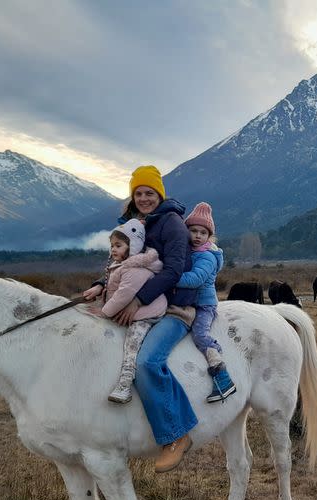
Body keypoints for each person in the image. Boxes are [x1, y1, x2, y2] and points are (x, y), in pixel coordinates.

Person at [82, 165, 197, 473]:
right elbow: (123, 260)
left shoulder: (172, 224)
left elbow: (174, 270)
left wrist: (138, 299)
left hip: (175, 309)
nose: (144, 198)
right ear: (132, 197)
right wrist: (101, 284)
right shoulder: (139, 224)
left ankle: (176, 435)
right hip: (145, 305)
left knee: (147, 362)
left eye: (150, 193)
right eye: (139, 193)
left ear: (159, 194)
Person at [87, 219, 167, 404]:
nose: (113, 249)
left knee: (132, 343)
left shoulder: (136, 269)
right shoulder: (126, 264)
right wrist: (99, 290)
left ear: (133, 246)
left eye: (119, 245)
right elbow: (112, 286)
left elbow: (123, 295)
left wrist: (104, 312)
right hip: (134, 311)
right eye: (112, 245)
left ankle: (125, 383)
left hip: (147, 314)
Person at [175, 202, 236, 402]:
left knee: (200, 334)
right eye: (193, 230)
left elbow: (195, 279)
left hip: (205, 304)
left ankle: (221, 373)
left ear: (209, 237)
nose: (198, 235)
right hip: (193, 303)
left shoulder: (207, 256)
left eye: (203, 232)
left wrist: (169, 279)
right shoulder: (191, 252)